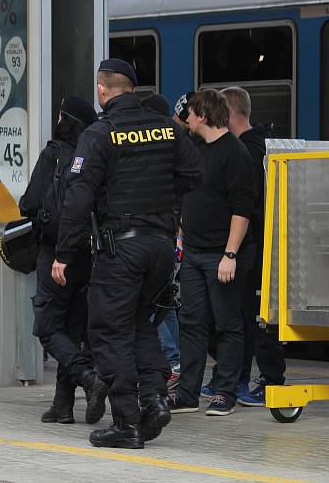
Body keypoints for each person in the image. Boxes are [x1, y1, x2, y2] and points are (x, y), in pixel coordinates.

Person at [52, 59, 203, 448]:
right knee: (138, 323)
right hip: (160, 247)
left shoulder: (100, 133)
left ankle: (126, 422)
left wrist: (64, 254)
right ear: (132, 89)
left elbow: (77, 199)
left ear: (102, 90)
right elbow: (193, 175)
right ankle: (154, 401)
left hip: (121, 247)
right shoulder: (169, 128)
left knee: (107, 330)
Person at [19, 95, 107, 425]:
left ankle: (88, 377)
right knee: (70, 327)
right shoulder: (94, 154)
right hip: (87, 252)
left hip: (55, 251)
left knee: (46, 327)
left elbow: (29, 202)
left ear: (65, 119)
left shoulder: (53, 153)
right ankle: (63, 404)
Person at [169, 89, 256, 417]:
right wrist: (180, 237)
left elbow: (242, 207)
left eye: (190, 113)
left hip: (223, 255)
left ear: (203, 116)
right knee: (191, 323)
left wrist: (230, 254)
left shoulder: (235, 153)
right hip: (192, 251)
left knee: (227, 323)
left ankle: (225, 392)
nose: (186, 118)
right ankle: (188, 394)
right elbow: (188, 196)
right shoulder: (193, 149)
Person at [219, 86, 285, 406]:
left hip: (256, 244)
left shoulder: (246, 150)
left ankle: (270, 382)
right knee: (250, 315)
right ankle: (243, 378)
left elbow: (248, 202)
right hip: (265, 242)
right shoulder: (265, 142)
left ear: (229, 114)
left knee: (255, 316)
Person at [141, 93, 181, 387]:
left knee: (155, 305)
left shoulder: (155, 150)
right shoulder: (175, 147)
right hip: (168, 238)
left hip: (158, 237)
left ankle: (171, 362)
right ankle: (174, 362)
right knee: (164, 304)